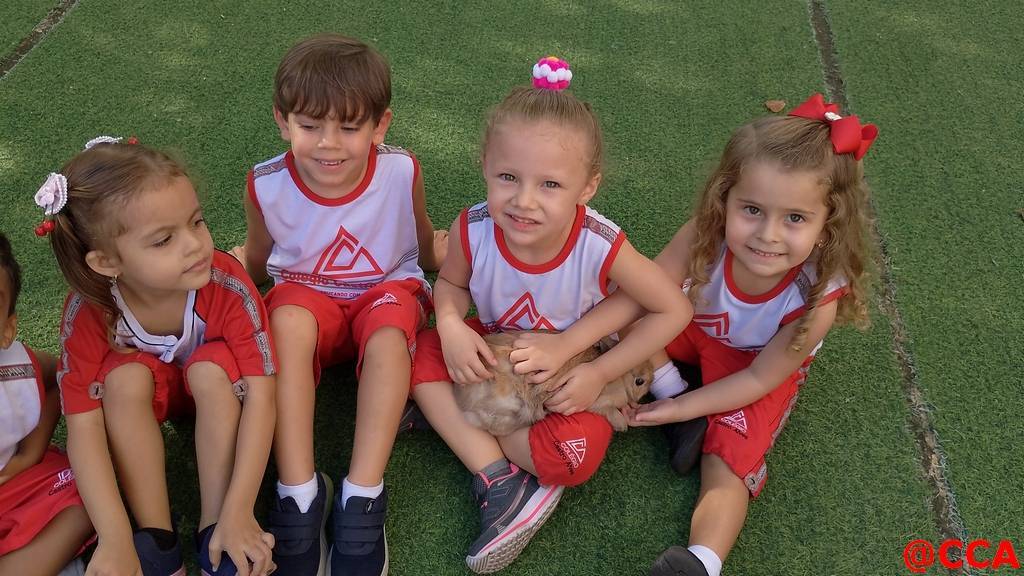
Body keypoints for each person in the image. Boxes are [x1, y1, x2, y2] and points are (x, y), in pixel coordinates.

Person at [410, 57, 693, 574]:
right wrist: (449, 324)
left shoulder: (599, 242)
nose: (524, 201)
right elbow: (450, 284)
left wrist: (594, 370)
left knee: (572, 460)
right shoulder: (473, 228)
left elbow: (673, 308)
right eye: (508, 177)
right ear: (485, 166)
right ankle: (500, 478)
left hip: (571, 380)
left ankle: (458, 423)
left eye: (550, 185)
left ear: (587, 187)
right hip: (497, 357)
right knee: (414, 349)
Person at [625, 94, 877, 576]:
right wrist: (667, 392)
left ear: (828, 225)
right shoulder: (705, 233)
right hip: (687, 329)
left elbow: (760, 378)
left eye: (795, 218)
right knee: (621, 314)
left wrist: (681, 408)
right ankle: (671, 387)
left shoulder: (817, 295)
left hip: (753, 366)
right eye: (753, 210)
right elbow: (644, 295)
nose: (768, 234)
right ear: (725, 198)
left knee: (731, 455)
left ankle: (702, 561)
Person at [231, 34, 446, 576]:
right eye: (310, 126)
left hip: (385, 295)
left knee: (390, 330)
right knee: (284, 318)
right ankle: (298, 492)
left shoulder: (401, 171)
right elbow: (259, 261)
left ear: (380, 125)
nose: (329, 144)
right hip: (308, 307)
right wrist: (231, 275)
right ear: (283, 121)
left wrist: (437, 257)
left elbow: (419, 237)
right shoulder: (265, 184)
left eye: (349, 127)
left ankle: (363, 494)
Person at [44, 137, 278, 576]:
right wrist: (114, 537)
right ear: (107, 262)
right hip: (152, 396)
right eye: (163, 240)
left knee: (208, 368)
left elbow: (264, 396)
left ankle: (217, 527)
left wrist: (240, 508)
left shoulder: (226, 284)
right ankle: (156, 540)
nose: (195, 245)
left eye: (197, 222)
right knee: (122, 379)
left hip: (219, 389)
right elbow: (83, 427)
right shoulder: (90, 311)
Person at [0, 231, 94, 576]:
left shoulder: (17, 366)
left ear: (7, 329)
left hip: (12, 483)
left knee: (88, 494)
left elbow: (58, 376)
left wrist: (30, 454)